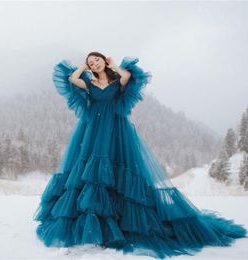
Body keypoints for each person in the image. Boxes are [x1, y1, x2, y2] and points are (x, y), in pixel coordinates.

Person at [33, 51, 248, 259]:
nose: (94, 64)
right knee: (91, 173)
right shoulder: (89, 83)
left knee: (118, 168)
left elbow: (127, 77)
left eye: (96, 60)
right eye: (91, 63)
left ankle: (119, 221)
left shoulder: (118, 80)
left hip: (116, 130)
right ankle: (93, 223)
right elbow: (72, 79)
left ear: (104, 61)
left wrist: (113, 64)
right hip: (93, 131)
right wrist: (83, 65)